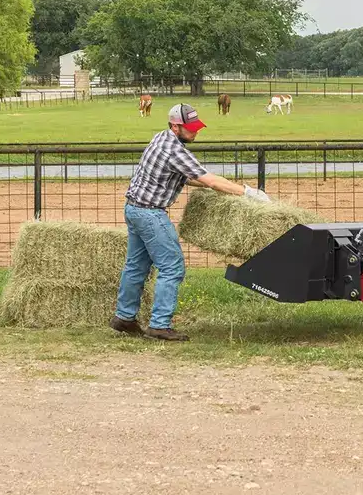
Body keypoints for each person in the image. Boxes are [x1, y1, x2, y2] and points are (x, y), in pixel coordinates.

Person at [111, 102, 269, 341]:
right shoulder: (174, 150)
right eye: (191, 128)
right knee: (172, 267)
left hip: (133, 209)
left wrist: (218, 185)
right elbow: (208, 179)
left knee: (136, 266)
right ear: (175, 127)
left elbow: (186, 177)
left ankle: (124, 317)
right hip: (150, 213)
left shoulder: (160, 138)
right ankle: (159, 325)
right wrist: (248, 193)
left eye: (197, 127)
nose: (196, 131)